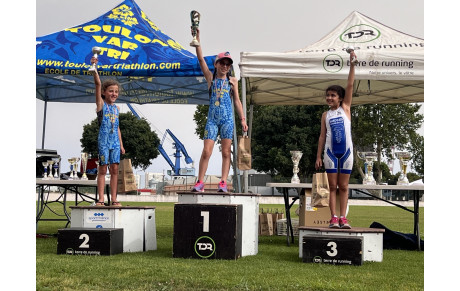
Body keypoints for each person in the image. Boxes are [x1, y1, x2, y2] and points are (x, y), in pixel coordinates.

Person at [191, 28, 248, 192]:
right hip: (212, 120)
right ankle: (200, 182)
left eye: (227, 64)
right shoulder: (211, 78)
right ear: (216, 64)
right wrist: (197, 40)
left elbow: (237, 101)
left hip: (227, 120)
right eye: (222, 63)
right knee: (206, 151)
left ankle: (223, 182)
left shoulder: (232, 81)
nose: (225, 66)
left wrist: (243, 119)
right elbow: (201, 59)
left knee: (225, 153)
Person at [315, 50, 357, 229]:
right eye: (328, 95)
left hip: (346, 153)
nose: (329, 98)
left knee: (344, 187)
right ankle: (333, 218)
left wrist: (352, 64)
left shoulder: (345, 108)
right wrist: (318, 156)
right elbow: (322, 136)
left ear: (340, 99)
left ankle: (343, 218)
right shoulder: (325, 115)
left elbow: (349, 84)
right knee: (332, 187)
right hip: (330, 154)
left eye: (333, 95)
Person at [91, 57, 125, 206]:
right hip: (104, 141)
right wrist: (94, 69)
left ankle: (115, 198)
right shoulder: (101, 105)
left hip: (115, 143)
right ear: (105, 93)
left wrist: (122, 145)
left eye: (116, 91)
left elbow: (117, 127)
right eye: (111, 91)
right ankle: (101, 199)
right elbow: (97, 84)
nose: (114, 94)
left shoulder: (117, 109)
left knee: (115, 169)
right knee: (103, 169)